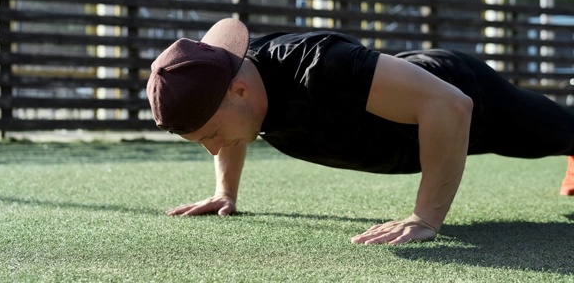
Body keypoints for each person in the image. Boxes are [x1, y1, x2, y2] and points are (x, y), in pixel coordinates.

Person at [147, 18, 574, 245]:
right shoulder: (233, 89)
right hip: (407, 127)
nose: (213, 148)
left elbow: (449, 105)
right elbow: (227, 121)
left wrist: (426, 217)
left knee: (564, 131)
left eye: (212, 134)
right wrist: (226, 192)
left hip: (462, 98)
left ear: (239, 90)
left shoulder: (321, 68)